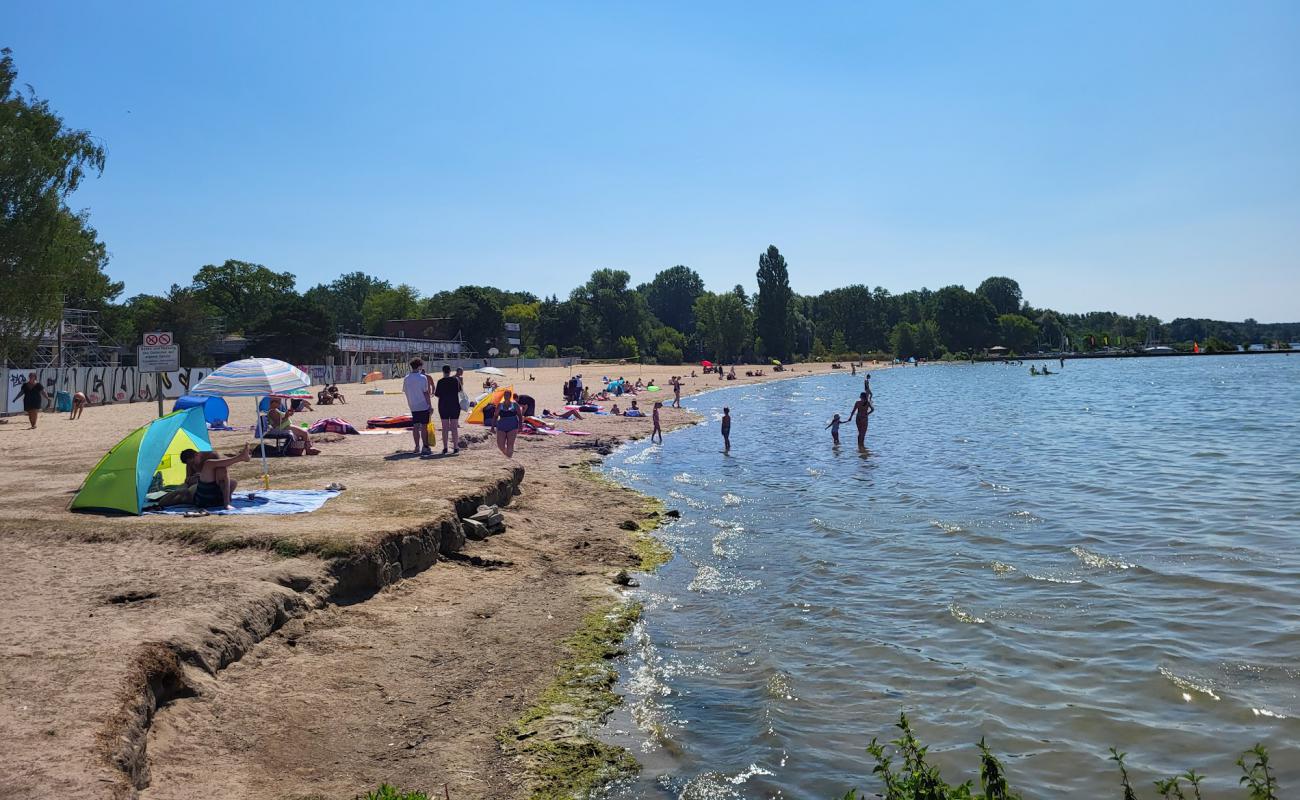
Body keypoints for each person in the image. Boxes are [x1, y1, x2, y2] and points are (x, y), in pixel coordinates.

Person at [179, 445, 251, 509]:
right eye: (190, 464)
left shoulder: (212, 455)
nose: (192, 465)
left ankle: (226, 502)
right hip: (199, 488)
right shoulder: (190, 464)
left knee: (232, 481)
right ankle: (240, 458)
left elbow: (222, 472)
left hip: (214, 483)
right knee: (209, 464)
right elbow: (187, 480)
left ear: (197, 454)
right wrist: (196, 477)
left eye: (193, 462)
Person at [403, 358, 433, 456]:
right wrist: (430, 406)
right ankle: (425, 446)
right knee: (424, 426)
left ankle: (416, 446)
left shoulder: (406, 378)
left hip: (413, 405)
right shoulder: (422, 377)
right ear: (419, 366)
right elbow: (426, 393)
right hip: (423, 405)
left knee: (415, 426)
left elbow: (406, 391)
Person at [433, 365, 462, 455]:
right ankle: (456, 447)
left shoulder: (440, 382)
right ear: (450, 371)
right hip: (454, 405)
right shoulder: (455, 380)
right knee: (454, 427)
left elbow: (437, 394)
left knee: (445, 427)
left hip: (443, 405)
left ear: (443, 371)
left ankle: (445, 448)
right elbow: (460, 391)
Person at [495, 388, 521, 458]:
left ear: (510, 396)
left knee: (510, 444)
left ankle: (509, 458)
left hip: (513, 426)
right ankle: (506, 454)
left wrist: (520, 426)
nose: (506, 396)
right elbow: (495, 416)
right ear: (503, 396)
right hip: (502, 426)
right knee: (500, 445)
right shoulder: (500, 405)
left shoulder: (515, 405)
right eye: (505, 395)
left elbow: (520, 415)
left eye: (508, 395)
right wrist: (492, 427)